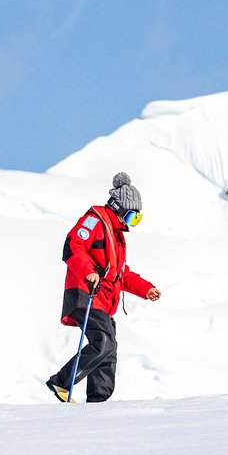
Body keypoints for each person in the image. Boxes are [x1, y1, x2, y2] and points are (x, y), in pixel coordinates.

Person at [49, 172, 161, 402]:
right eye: (132, 216)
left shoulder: (117, 236)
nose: (131, 223)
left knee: (109, 350)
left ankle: (98, 401)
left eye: (137, 219)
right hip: (85, 294)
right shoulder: (95, 221)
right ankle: (61, 381)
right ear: (118, 208)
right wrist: (88, 272)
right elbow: (73, 245)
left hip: (103, 301)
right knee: (103, 343)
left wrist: (145, 289)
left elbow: (120, 273)